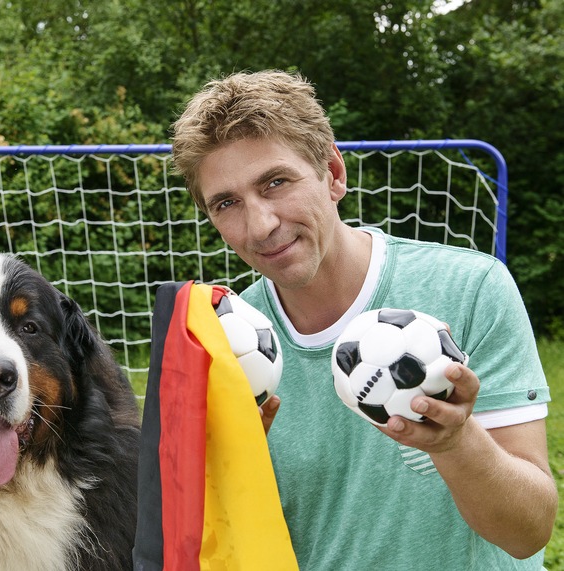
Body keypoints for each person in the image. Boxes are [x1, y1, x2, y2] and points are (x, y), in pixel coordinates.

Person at [170, 70, 558, 570]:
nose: (260, 225)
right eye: (227, 203)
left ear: (333, 173)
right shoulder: (222, 344)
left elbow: (528, 533)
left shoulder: (469, 290)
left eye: (276, 182)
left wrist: (456, 443)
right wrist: (226, 474)